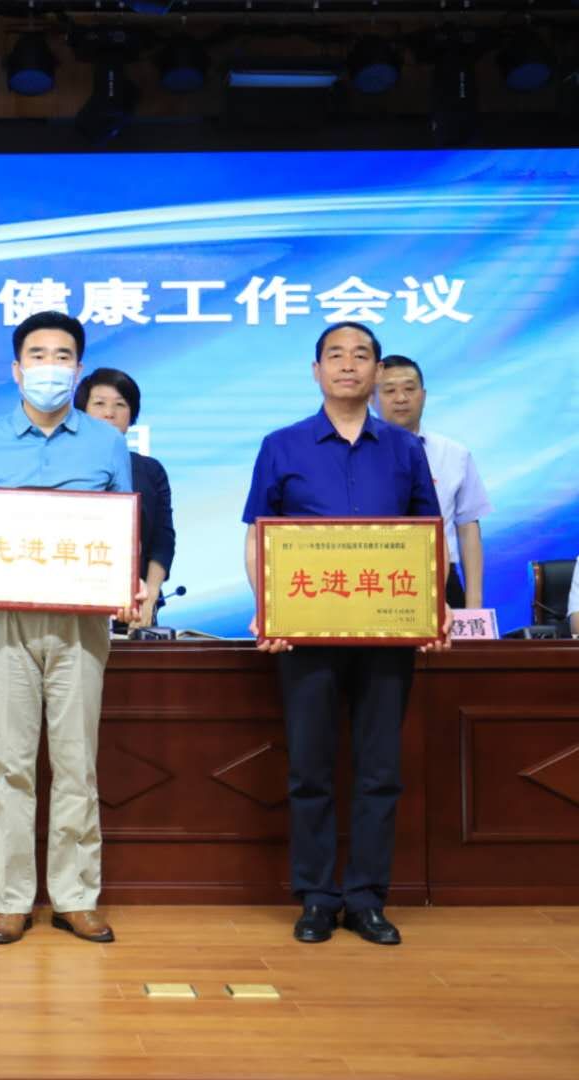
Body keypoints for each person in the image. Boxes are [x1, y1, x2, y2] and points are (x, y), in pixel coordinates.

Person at [242, 321, 447, 948]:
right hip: (305, 635)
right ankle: (316, 897)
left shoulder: (405, 449)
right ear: (317, 371)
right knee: (310, 769)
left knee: (379, 770)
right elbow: (258, 536)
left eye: (361, 355)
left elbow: (428, 536)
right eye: (336, 355)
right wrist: (268, 611)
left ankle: (365, 899)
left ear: (378, 372)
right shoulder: (282, 445)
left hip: (386, 636)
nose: (348, 365)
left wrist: (432, 611)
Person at [0, 311, 140, 947]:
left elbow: (124, 527)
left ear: (78, 369)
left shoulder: (106, 443)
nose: (49, 367)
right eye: (38, 355)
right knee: (9, 763)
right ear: (16, 368)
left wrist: (129, 585)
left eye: (62, 356)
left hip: (82, 623)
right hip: (5, 621)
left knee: (76, 763)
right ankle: (11, 901)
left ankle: (75, 898)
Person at [374, 355, 492, 609]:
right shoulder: (354, 454)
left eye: (409, 389)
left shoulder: (454, 454)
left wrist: (474, 604)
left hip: (441, 575)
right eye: (389, 390)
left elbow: (468, 528)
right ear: (371, 399)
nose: (401, 398)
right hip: (371, 578)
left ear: (424, 395)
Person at [76, 368, 174, 628]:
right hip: (72, 605)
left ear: (132, 415)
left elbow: (163, 540)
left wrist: (150, 596)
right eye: (99, 404)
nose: (109, 413)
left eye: (120, 405)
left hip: (133, 607)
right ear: (80, 413)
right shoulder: (64, 467)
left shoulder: (150, 470)